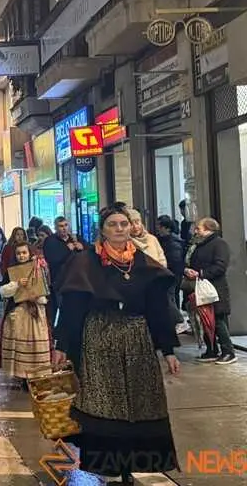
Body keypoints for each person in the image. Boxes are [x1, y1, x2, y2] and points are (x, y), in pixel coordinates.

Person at [52, 204, 180, 484]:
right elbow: (73, 307)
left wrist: (168, 350)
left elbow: (158, 310)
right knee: (105, 403)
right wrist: (62, 345)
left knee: (140, 402)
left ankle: (131, 468)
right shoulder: (86, 262)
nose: (120, 229)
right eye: (113, 224)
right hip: (99, 339)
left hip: (137, 341)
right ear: (103, 229)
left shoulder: (144, 263)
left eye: (124, 224)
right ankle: (109, 466)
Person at [183, 217, 237, 365]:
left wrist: (200, 273)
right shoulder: (198, 244)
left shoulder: (219, 244)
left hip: (214, 288)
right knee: (204, 319)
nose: (196, 231)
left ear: (208, 229)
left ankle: (228, 351)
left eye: (199, 228)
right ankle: (211, 350)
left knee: (217, 320)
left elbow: (220, 266)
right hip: (199, 287)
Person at [0, 242, 51, 388]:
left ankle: (36, 374)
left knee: (36, 343)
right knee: (22, 345)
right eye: (19, 253)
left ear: (29, 253)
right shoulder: (11, 271)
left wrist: (39, 297)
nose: (21, 256)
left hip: (36, 311)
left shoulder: (37, 268)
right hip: (18, 311)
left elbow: (45, 289)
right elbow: (2, 291)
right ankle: (22, 376)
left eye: (24, 253)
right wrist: (16, 284)